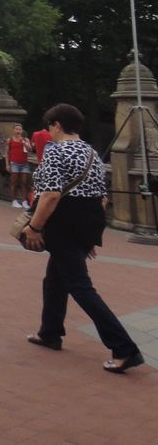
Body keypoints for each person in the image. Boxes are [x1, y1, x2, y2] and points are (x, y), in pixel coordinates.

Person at [20, 103, 143, 374]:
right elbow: (102, 198)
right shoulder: (91, 153)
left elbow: (51, 195)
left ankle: (125, 348)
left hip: (63, 222)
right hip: (87, 221)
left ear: (57, 125)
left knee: (80, 286)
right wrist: (89, 238)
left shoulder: (55, 152)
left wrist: (35, 227)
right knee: (55, 279)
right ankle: (50, 332)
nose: (49, 131)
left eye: (49, 126)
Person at [5, 123, 31, 208]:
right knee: (14, 182)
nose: (18, 131)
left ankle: (24, 201)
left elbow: (30, 149)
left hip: (24, 163)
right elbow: (6, 153)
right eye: (16, 129)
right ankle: (14, 200)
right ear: (13, 130)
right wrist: (7, 164)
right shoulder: (9, 140)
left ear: (22, 131)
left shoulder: (25, 139)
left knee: (24, 182)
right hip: (14, 163)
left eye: (20, 129)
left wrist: (25, 144)